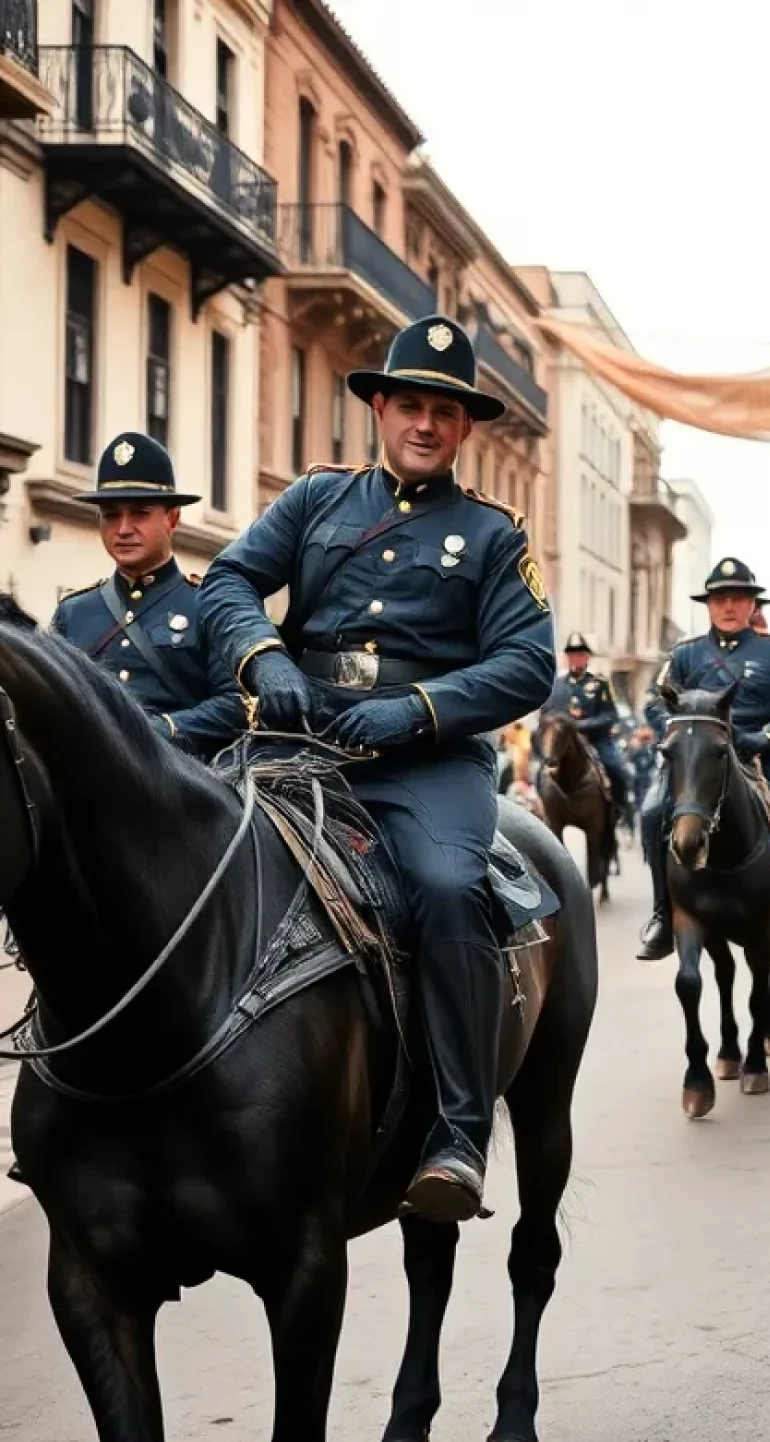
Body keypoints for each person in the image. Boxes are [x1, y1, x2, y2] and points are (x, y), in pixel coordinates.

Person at [199, 314, 556, 1223]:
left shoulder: (493, 535)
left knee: (443, 885)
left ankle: (457, 1134)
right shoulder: (317, 502)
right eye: (409, 405)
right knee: (179, 845)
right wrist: (266, 663)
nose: (424, 424)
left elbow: (526, 663)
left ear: (465, 426)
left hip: (425, 762)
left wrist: (415, 709)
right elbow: (231, 582)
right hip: (297, 734)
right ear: (381, 410)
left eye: (443, 410)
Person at [637, 557, 770, 961]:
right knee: (653, 813)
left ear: (752, 605)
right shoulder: (685, 655)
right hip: (702, 762)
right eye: (720, 598)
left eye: (738, 598)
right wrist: (682, 734)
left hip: (769, 758)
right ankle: (662, 916)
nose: (728, 606)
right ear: (708, 604)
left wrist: (765, 738)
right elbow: (655, 702)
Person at [51, 432, 245, 757]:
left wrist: (162, 730)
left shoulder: (208, 604)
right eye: (111, 515)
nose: (124, 528)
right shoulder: (73, 613)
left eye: (141, 513)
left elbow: (238, 705)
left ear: (172, 519)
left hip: (186, 787)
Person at [544, 632, 629, 820]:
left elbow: (610, 715)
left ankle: (618, 808)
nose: (576, 658)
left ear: (587, 657)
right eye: (572, 654)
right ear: (566, 657)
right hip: (563, 743)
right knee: (541, 770)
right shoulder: (556, 686)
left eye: (580, 654)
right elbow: (547, 715)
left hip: (595, 739)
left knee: (615, 767)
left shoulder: (599, 684)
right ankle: (543, 809)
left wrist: (581, 725)